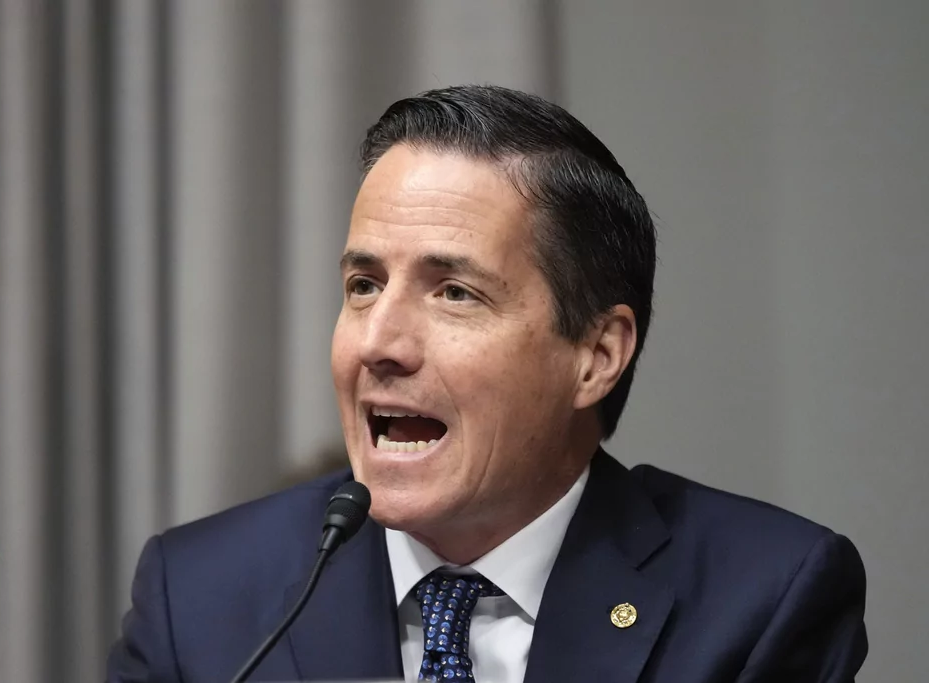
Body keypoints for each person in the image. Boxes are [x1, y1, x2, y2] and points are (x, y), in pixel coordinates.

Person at [106, 85, 867, 683]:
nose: (378, 343)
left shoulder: (761, 598)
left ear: (597, 355)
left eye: (454, 293)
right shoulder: (201, 596)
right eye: (364, 284)